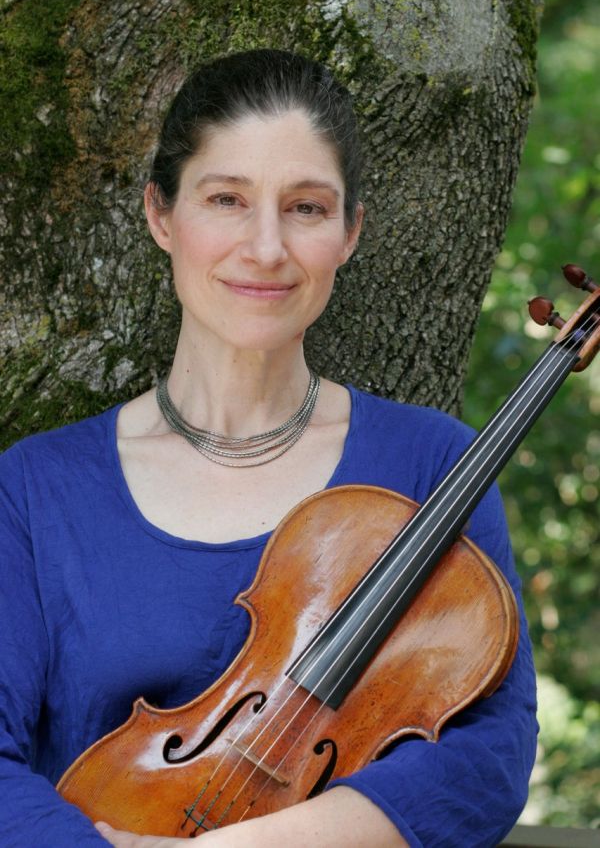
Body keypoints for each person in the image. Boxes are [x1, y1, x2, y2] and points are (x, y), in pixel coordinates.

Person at [0, 49, 537, 848]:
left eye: (306, 208)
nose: (265, 247)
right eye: (226, 199)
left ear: (350, 233)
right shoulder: (35, 489)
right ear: (160, 216)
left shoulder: (435, 467)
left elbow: (488, 755)